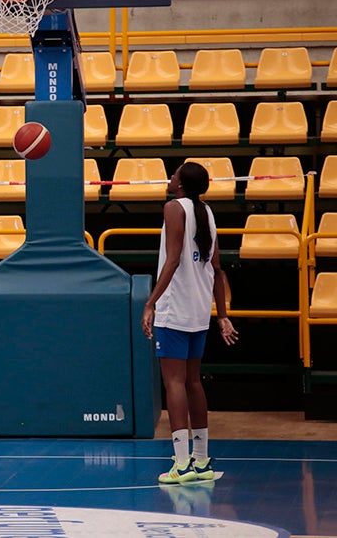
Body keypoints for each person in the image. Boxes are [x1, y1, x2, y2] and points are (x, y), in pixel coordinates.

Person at [142, 162, 239, 484]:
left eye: (174, 174)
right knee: (193, 381)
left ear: (181, 184)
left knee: (174, 383)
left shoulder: (174, 207)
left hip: (175, 306)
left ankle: (181, 463)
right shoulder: (207, 211)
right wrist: (221, 314)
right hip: (199, 308)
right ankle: (200, 461)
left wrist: (150, 302)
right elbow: (217, 267)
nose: (170, 178)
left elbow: (172, 260)